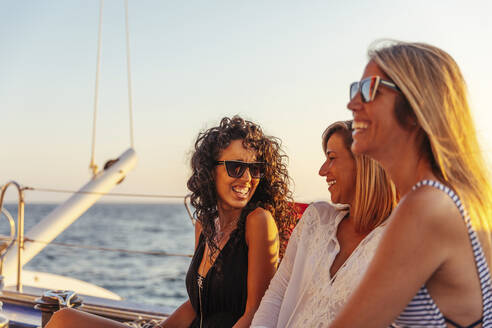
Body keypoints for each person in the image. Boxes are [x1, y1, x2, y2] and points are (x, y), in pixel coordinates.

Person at [46, 116, 297, 328]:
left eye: (255, 169)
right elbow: (195, 305)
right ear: (211, 170)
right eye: (235, 167)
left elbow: (258, 312)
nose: (247, 178)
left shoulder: (258, 222)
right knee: (63, 319)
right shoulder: (205, 224)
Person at [329, 41, 492, 328]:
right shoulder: (450, 198)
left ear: (417, 104)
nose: (352, 104)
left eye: (370, 90)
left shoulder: (427, 207)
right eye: (356, 90)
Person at [251, 120, 397, 327]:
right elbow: (277, 294)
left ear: (364, 164)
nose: (322, 170)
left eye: (332, 158)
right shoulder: (316, 219)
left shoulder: (399, 242)